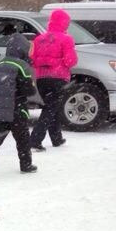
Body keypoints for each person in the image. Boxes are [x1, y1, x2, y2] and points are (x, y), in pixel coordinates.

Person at [0, 33, 37, 177]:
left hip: (0, 108)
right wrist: (31, 86)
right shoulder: (22, 66)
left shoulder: (0, 64)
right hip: (17, 108)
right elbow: (28, 90)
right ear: (22, 49)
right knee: (22, 139)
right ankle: (26, 164)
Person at [29, 8, 78, 151]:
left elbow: (32, 59)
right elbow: (70, 61)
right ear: (63, 23)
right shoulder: (66, 39)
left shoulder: (39, 39)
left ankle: (57, 138)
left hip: (41, 79)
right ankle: (35, 139)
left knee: (52, 106)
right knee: (51, 108)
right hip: (58, 78)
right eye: (67, 23)